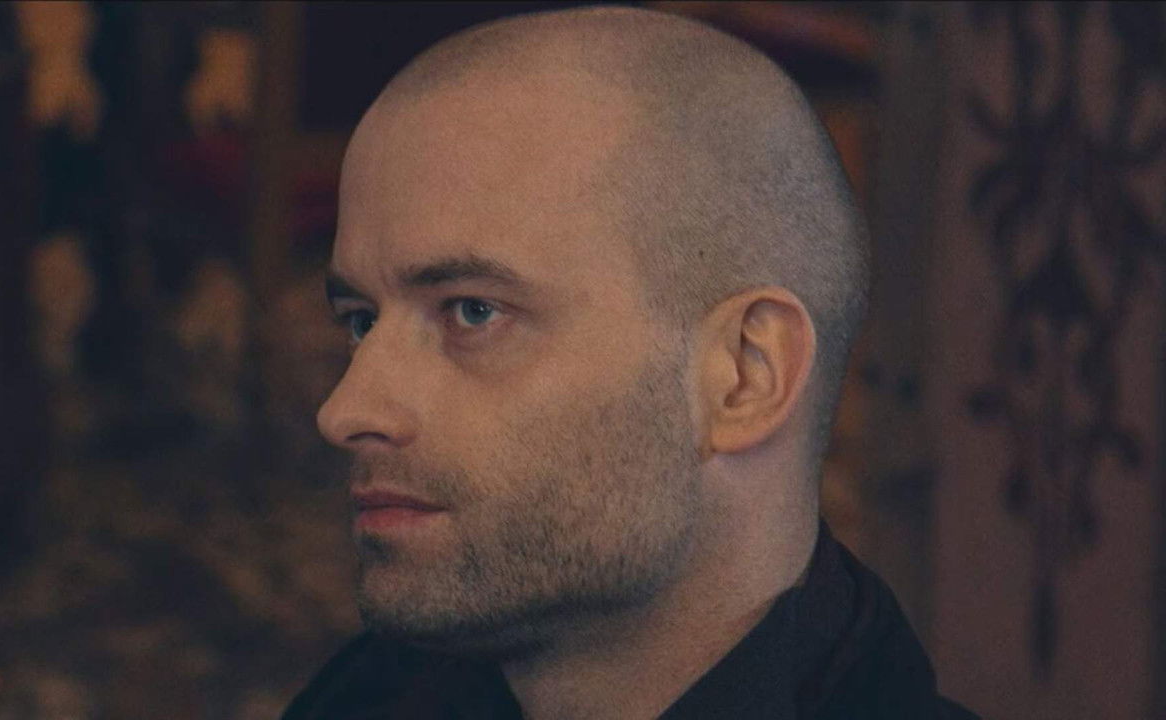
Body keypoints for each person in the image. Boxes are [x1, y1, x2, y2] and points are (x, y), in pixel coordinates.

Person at [282, 6, 977, 720]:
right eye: (361, 321)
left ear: (744, 376)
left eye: (473, 312)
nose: (345, 410)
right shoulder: (365, 695)